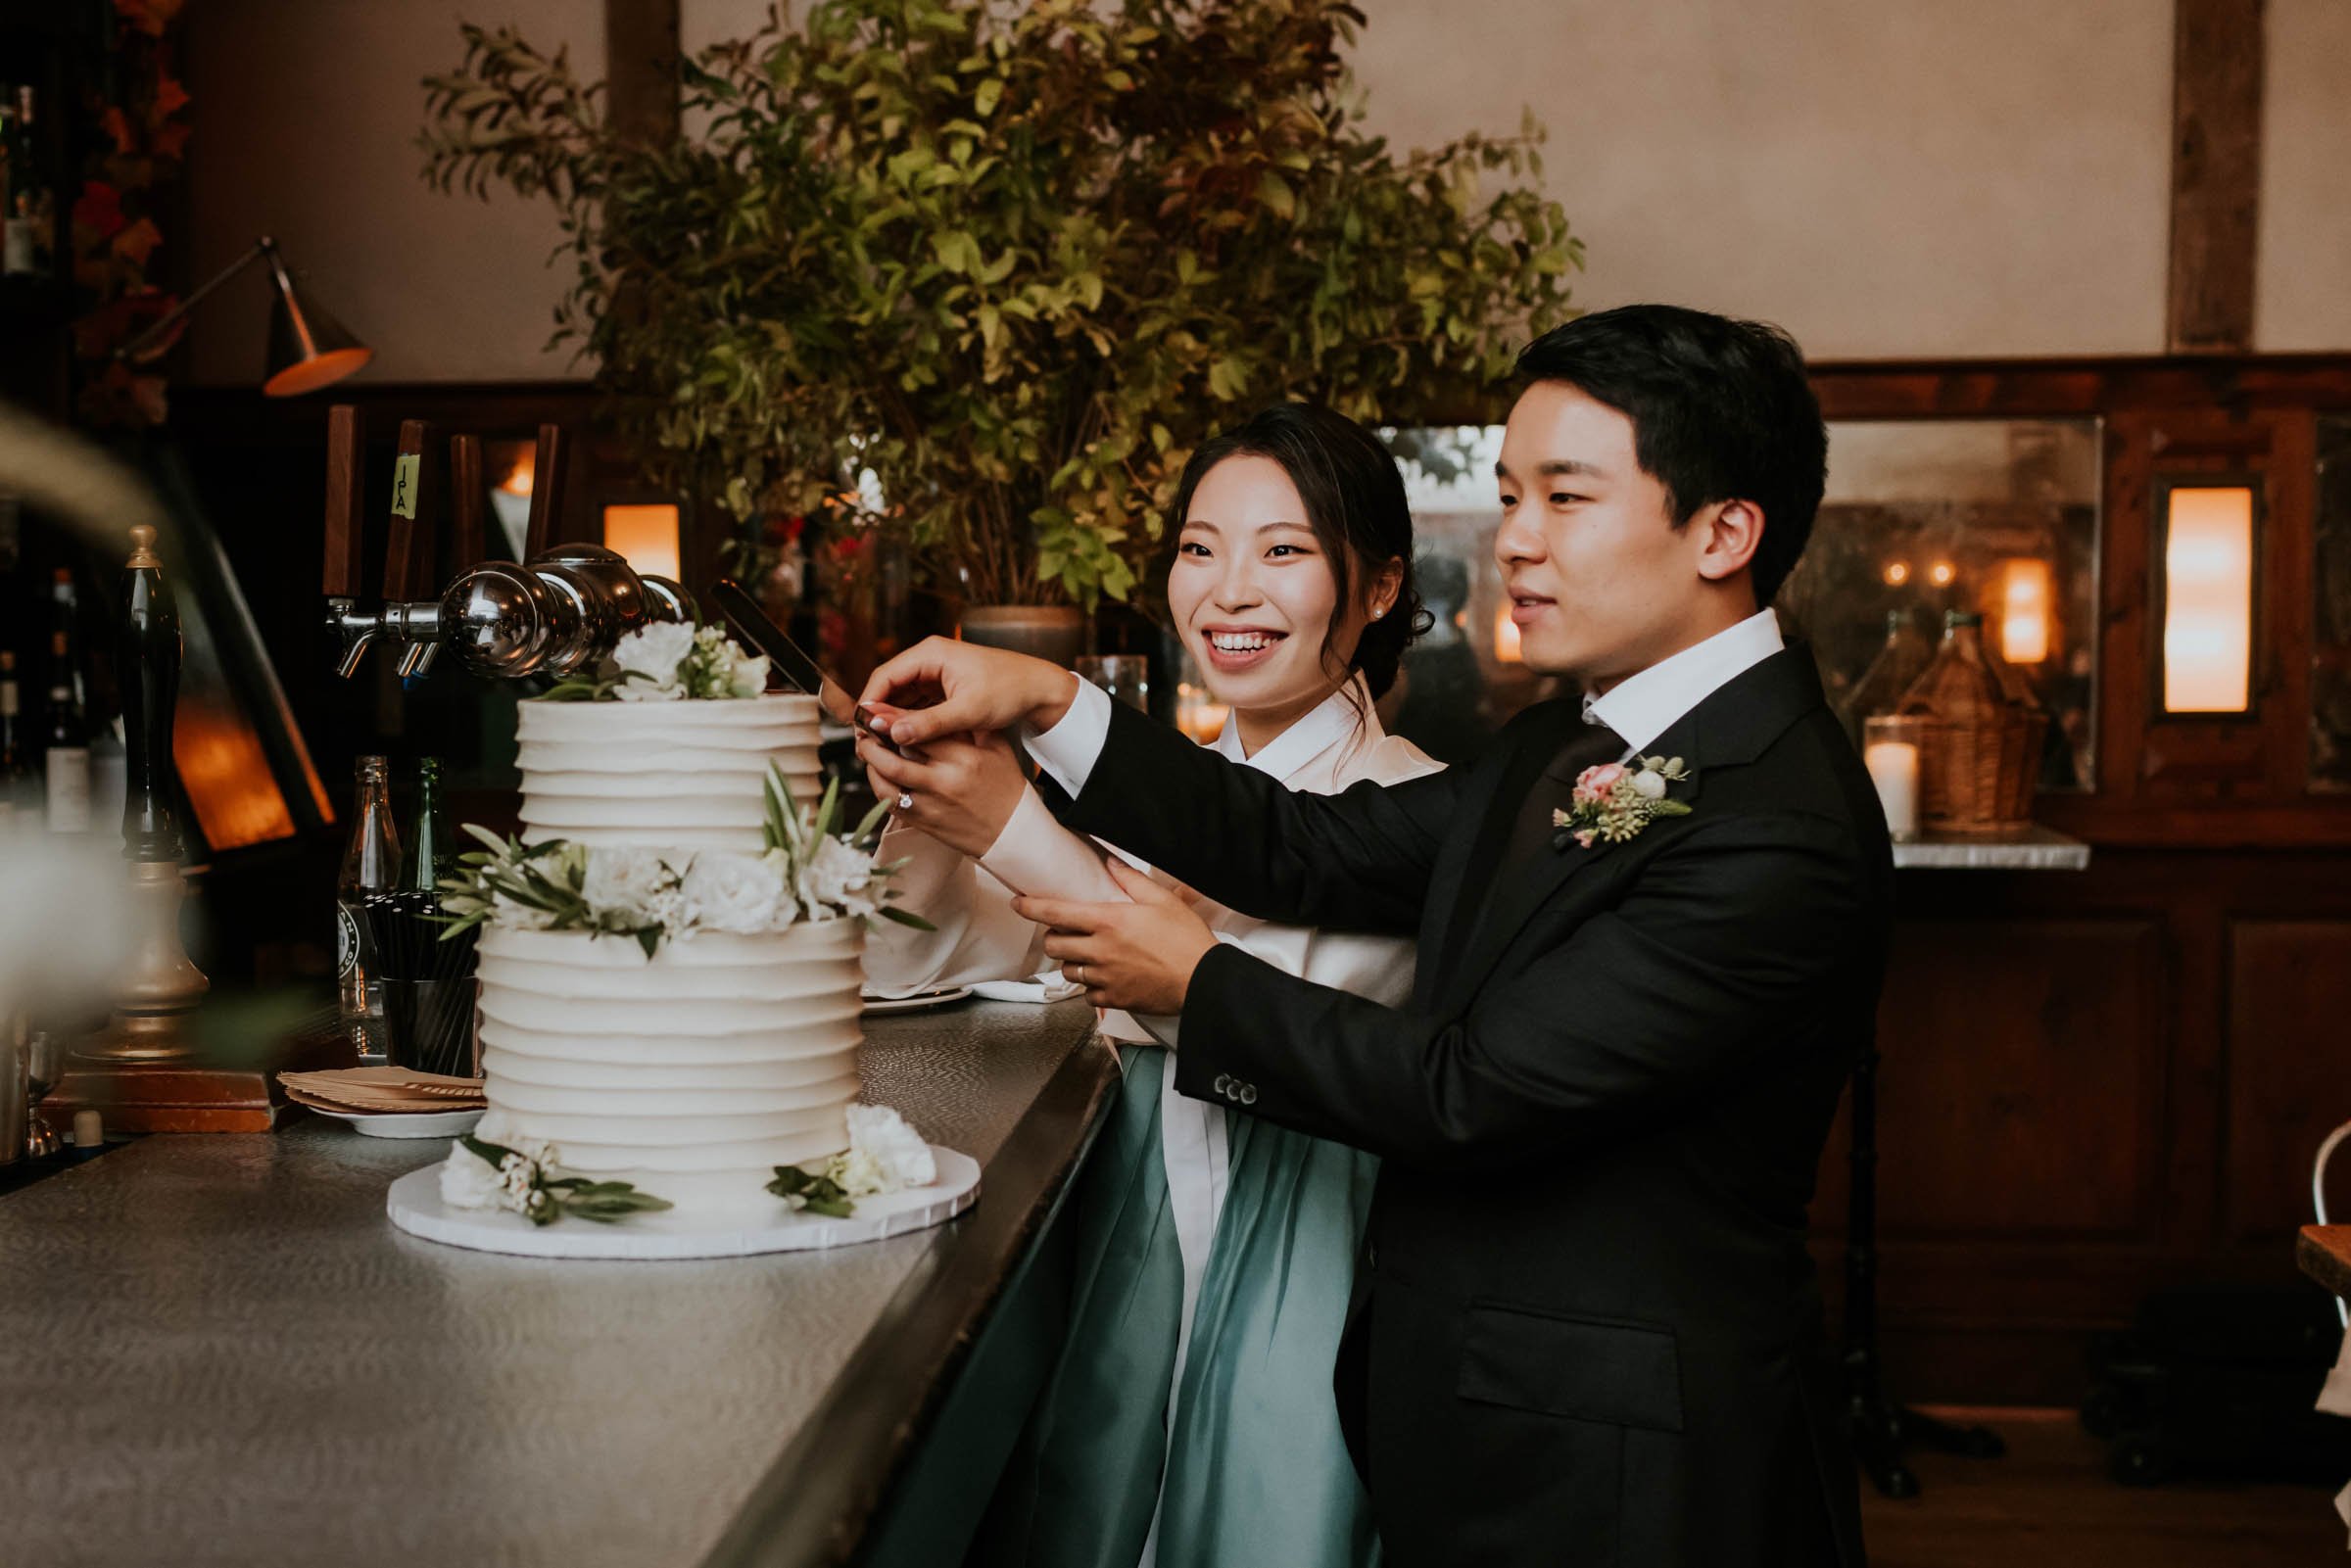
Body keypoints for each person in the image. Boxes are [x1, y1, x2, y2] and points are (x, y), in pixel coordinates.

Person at [860, 305, 1888, 1568]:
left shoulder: (1779, 819)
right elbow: (1305, 845)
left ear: (1727, 530)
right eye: (1511, 496)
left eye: (1565, 499)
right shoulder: (1567, 739)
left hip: (1617, 1453)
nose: (1515, 541)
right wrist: (1054, 700)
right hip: (1459, 1399)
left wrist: (1195, 981)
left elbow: (1474, 1090)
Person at [860, 403, 1440, 1568]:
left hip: (1302, 1257)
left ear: (1376, 589)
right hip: (1132, 1237)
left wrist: (1015, 825)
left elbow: (1221, 1000)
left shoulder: (1404, 798)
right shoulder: (1159, 789)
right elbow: (915, 964)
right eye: (1198, 547)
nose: (1227, 590)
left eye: (1283, 550)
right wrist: (937, 801)